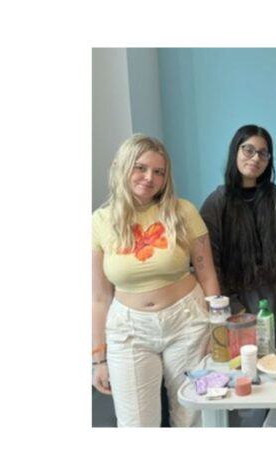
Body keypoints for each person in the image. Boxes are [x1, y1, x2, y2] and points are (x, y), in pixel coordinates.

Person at [92, 134, 221, 427]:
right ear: (120, 167)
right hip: (128, 331)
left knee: (193, 418)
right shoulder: (99, 222)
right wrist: (98, 359)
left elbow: (207, 274)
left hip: (188, 321)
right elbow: (98, 298)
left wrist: (218, 331)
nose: (149, 178)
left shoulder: (183, 211)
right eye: (140, 168)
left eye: (158, 172)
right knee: (136, 424)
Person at [200, 124, 276, 349]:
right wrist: (234, 307)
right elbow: (211, 264)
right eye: (248, 150)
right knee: (244, 365)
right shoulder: (216, 204)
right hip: (236, 298)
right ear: (235, 152)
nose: (255, 158)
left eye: (263, 153)